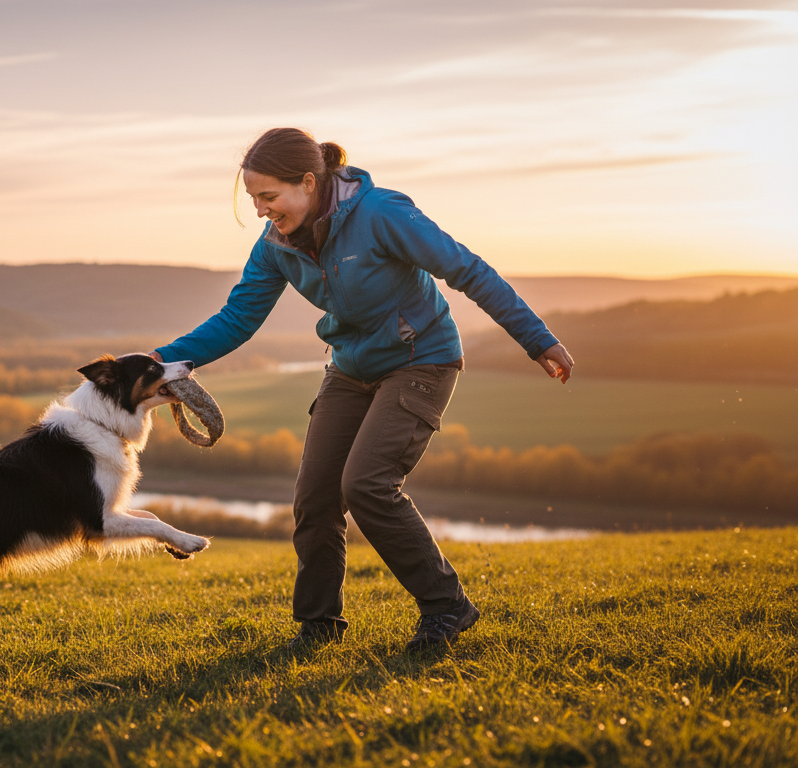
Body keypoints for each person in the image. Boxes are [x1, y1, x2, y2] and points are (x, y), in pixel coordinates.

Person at [152, 128, 574, 651]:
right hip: (350, 368)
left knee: (368, 485)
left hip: (422, 359)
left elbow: (467, 270)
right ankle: (318, 627)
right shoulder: (276, 247)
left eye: (268, 197)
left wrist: (538, 339)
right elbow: (238, 318)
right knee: (314, 499)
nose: (261, 211)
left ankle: (447, 607)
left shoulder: (381, 214)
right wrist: (159, 363)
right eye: (254, 199)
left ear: (308, 182)